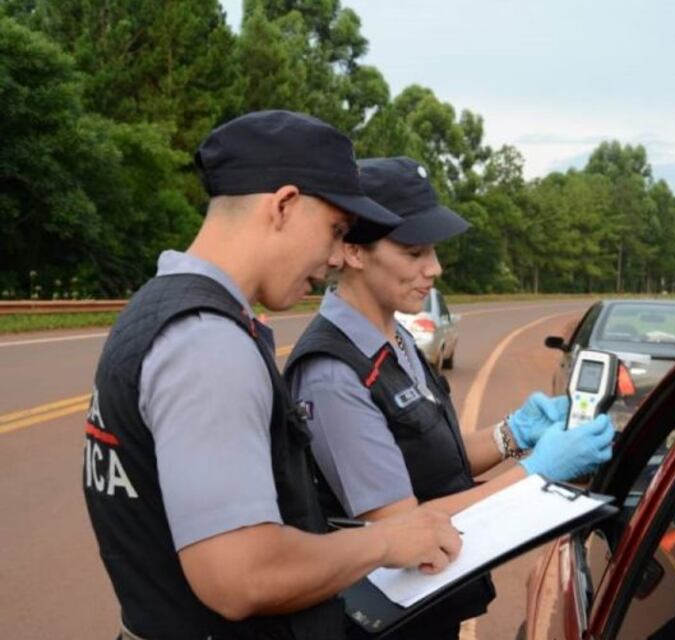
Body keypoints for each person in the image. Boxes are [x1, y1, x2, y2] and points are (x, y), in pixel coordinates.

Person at [82, 112, 462, 640]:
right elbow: (242, 576)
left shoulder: (158, 307)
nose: (335, 257)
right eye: (334, 231)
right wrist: (386, 541)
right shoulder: (208, 343)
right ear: (284, 205)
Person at [284, 156, 616, 639]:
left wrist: (514, 435)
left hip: (431, 609)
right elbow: (406, 532)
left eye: (433, 251)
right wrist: (535, 475)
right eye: (414, 252)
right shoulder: (333, 374)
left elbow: (431, 460)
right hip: (385, 623)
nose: (434, 268)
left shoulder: (393, 339)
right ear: (354, 252)